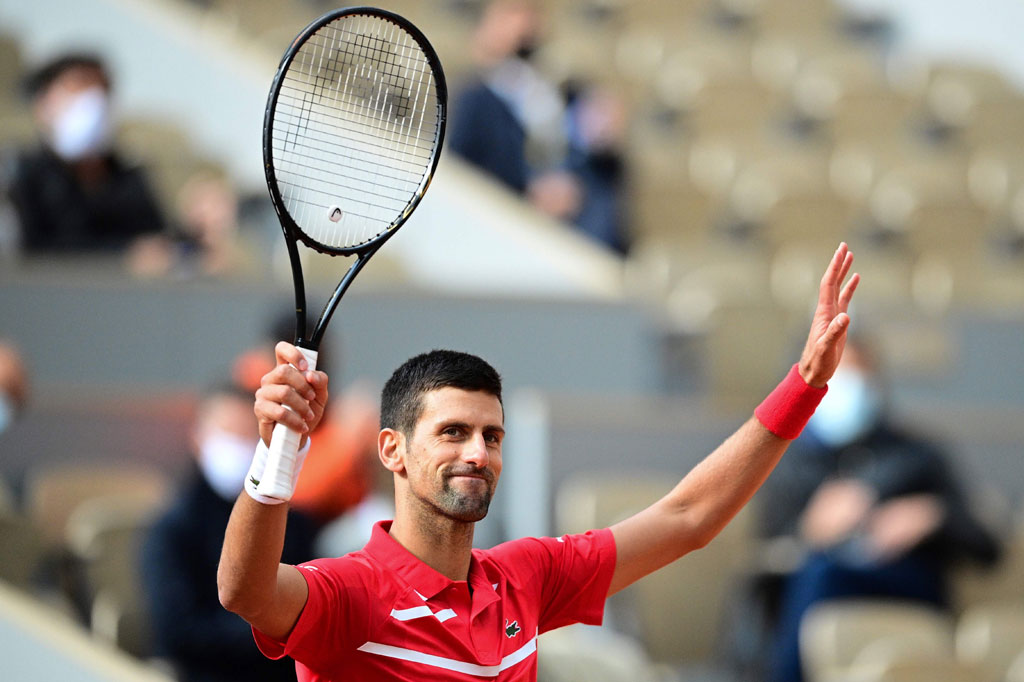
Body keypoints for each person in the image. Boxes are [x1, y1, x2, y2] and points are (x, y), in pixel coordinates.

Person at [216, 243, 859, 681]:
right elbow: (244, 590)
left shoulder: (526, 576)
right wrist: (277, 453)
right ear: (394, 451)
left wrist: (804, 384)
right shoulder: (348, 593)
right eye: (453, 432)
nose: (477, 453)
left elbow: (689, 516)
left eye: (491, 437)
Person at [755, 335, 1002, 682]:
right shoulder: (789, 460)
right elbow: (767, 547)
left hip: (908, 584)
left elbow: (987, 547)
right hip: (821, 586)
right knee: (818, 573)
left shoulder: (916, 454)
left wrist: (932, 516)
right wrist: (811, 529)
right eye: (833, 375)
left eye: (856, 374)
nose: (845, 387)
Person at [142, 382, 318, 682]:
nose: (237, 446)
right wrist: (270, 631)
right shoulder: (172, 530)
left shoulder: (294, 523)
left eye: (246, 436)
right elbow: (177, 633)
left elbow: (311, 603)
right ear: (198, 439)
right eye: (227, 435)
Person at [448, 0, 631, 254]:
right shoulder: (475, 100)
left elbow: (609, 168)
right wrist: (529, 194)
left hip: (578, 224)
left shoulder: (567, 90)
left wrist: (603, 141)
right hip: (512, 227)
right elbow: (464, 175)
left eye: (530, 13)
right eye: (511, 14)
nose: (524, 25)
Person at [3, 53, 166, 254]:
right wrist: (123, 252)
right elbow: (30, 251)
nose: (94, 99)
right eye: (79, 87)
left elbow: (155, 240)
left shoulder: (130, 175)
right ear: (43, 104)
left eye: (103, 88)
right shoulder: (19, 173)